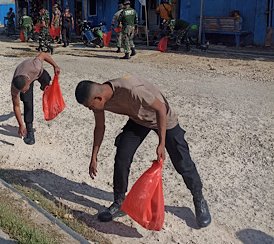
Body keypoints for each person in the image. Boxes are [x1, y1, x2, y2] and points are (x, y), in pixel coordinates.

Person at [74, 76, 211, 228]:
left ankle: (199, 199)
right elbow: (100, 127)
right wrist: (94, 157)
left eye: (90, 106)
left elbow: (161, 108)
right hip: (138, 120)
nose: (90, 109)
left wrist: (161, 142)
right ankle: (119, 202)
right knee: (122, 156)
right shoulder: (100, 101)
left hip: (163, 119)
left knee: (182, 162)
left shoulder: (132, 90)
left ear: (98, 97)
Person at [11, 52, 60, 145]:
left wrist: (55, 66)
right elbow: (16, 106)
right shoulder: (15, 87)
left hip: (34, 71)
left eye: (24, 90)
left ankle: (44, 87)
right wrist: (21, 125)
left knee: (47, 78)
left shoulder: (36, 66)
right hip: (24, 73)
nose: (23, 92)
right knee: (27, 102)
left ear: (29, 81)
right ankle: (29, 130)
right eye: (22, 91)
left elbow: (43, 54)